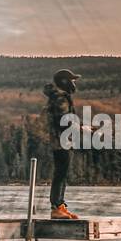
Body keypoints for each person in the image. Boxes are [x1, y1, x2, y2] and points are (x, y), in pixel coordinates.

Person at [43, 68, 80, 219]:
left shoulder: (59, 97)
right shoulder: (60, 98)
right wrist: (80, 127)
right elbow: (64, 121)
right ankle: (56, 207)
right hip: (61, 141)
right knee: (61, 173)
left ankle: (59, 206)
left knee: (62, 173)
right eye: (71, 80)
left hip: (62, 140)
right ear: (64, 82)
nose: (73, 83)